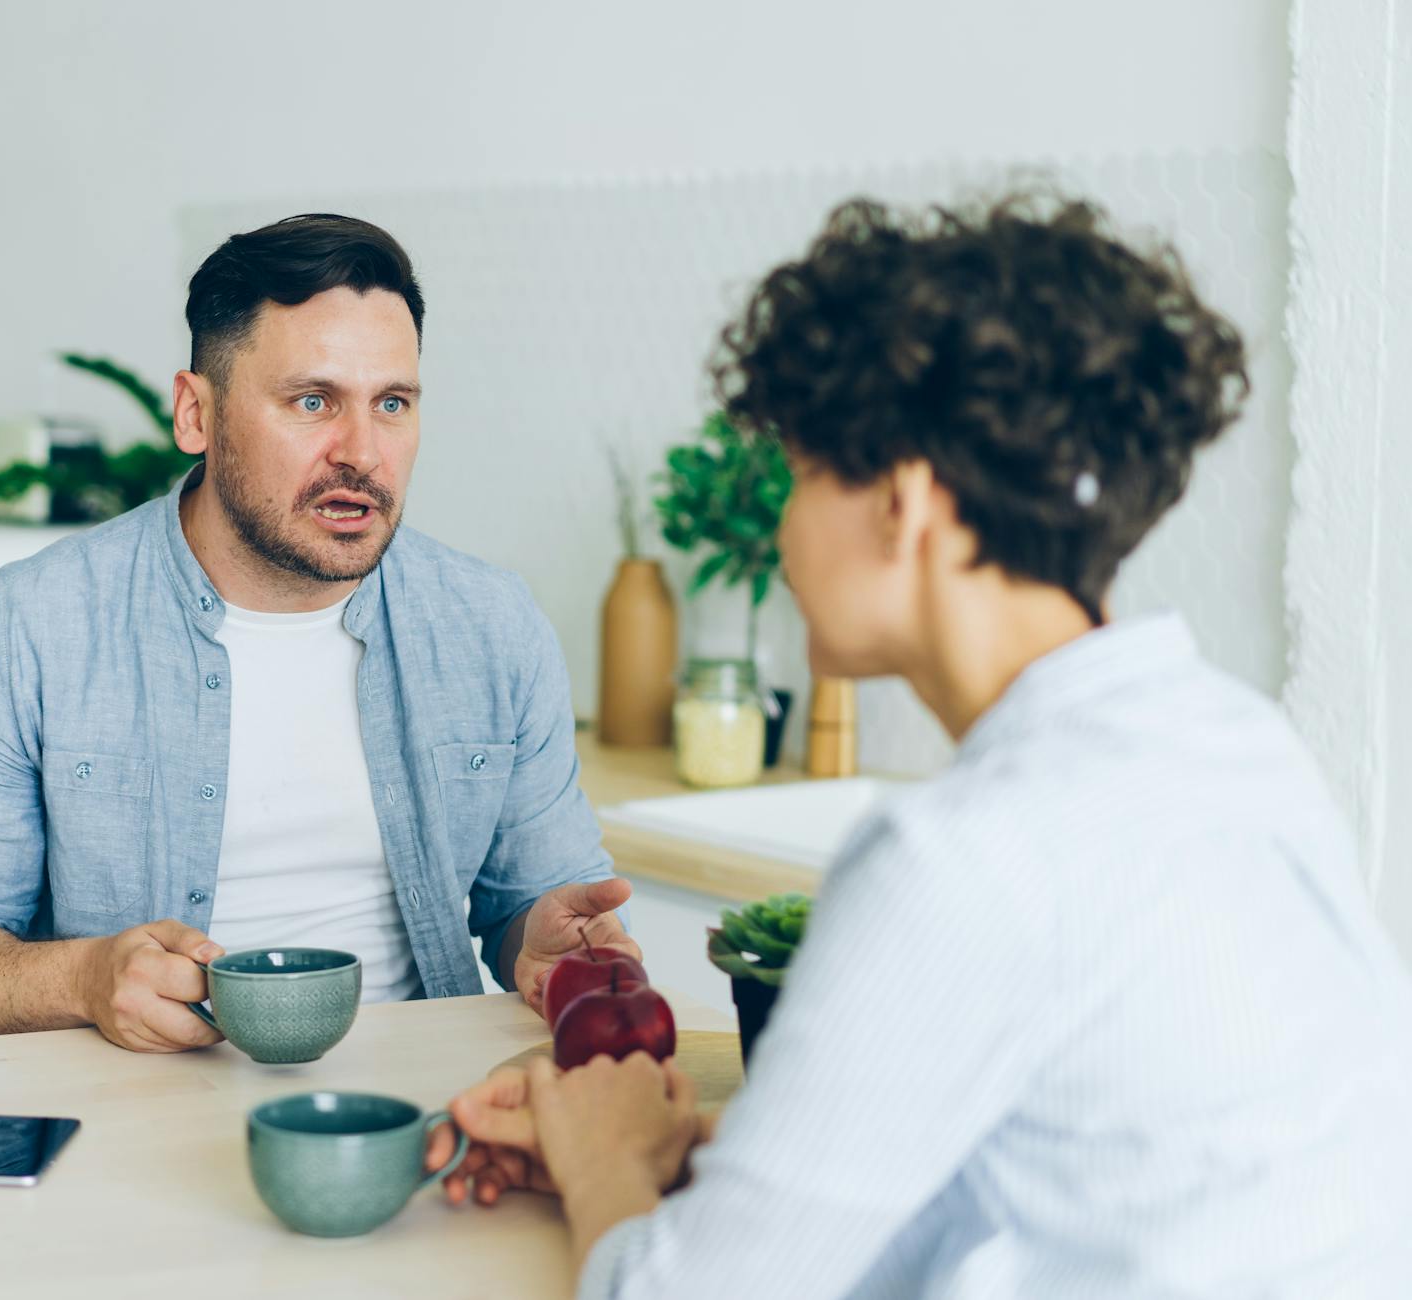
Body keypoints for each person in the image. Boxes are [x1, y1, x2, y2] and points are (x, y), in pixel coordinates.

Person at [428, 194, 1412, 1297]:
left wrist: (606, 1159)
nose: (784, 529)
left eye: (800, 474)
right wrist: (694, 1162)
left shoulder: (965, 856)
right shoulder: (1236, 745)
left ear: (902, 504)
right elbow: (1053, 1178)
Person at [0, 213, 636, 1051]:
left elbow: (536, 902)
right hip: (132, 1107)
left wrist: (550, 948)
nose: (363, 453)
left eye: (392, 404)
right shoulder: (23, 632)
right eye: (313, 402)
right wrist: (84, 980)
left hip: (420, 1103)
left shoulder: (493, 627)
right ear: (197, 415)